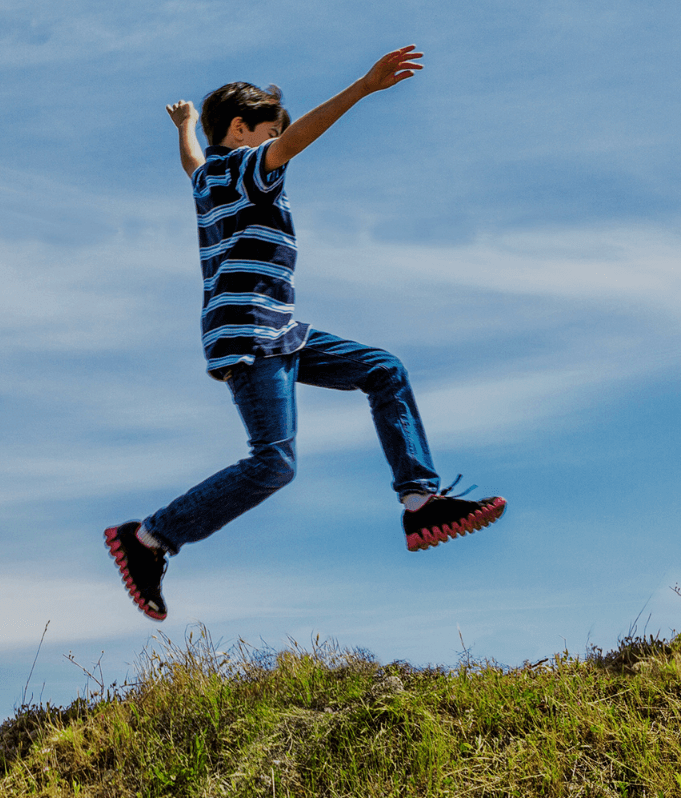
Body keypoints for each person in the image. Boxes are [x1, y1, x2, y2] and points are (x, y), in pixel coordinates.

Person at [104, 45, 508, 621]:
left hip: (279, 329)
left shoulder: (207, 178)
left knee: (383, 369)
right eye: (268, 132)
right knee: (274, 462)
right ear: (242, 130)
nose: (277, 146)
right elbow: (294, 142)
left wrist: (187, 124)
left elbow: (192, 161)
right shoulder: (248, 168)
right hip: (252, 333)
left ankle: (420, 501)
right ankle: (147, 539)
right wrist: (364, 88)